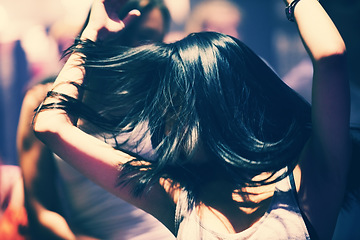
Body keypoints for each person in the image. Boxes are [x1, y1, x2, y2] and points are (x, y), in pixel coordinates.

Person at [32, 0, 350, 239]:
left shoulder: (306, 180)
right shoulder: (175, 196)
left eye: (173, 107)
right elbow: (49, 126)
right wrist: (90, 38)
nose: (161, 126)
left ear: (211, 108)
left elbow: (331, 57)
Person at [17, 0, 174, 239]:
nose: (133, 46)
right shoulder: (44, 101)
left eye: (148, 38)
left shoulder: (165, 100)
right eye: (125, 31)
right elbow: (40, 210)